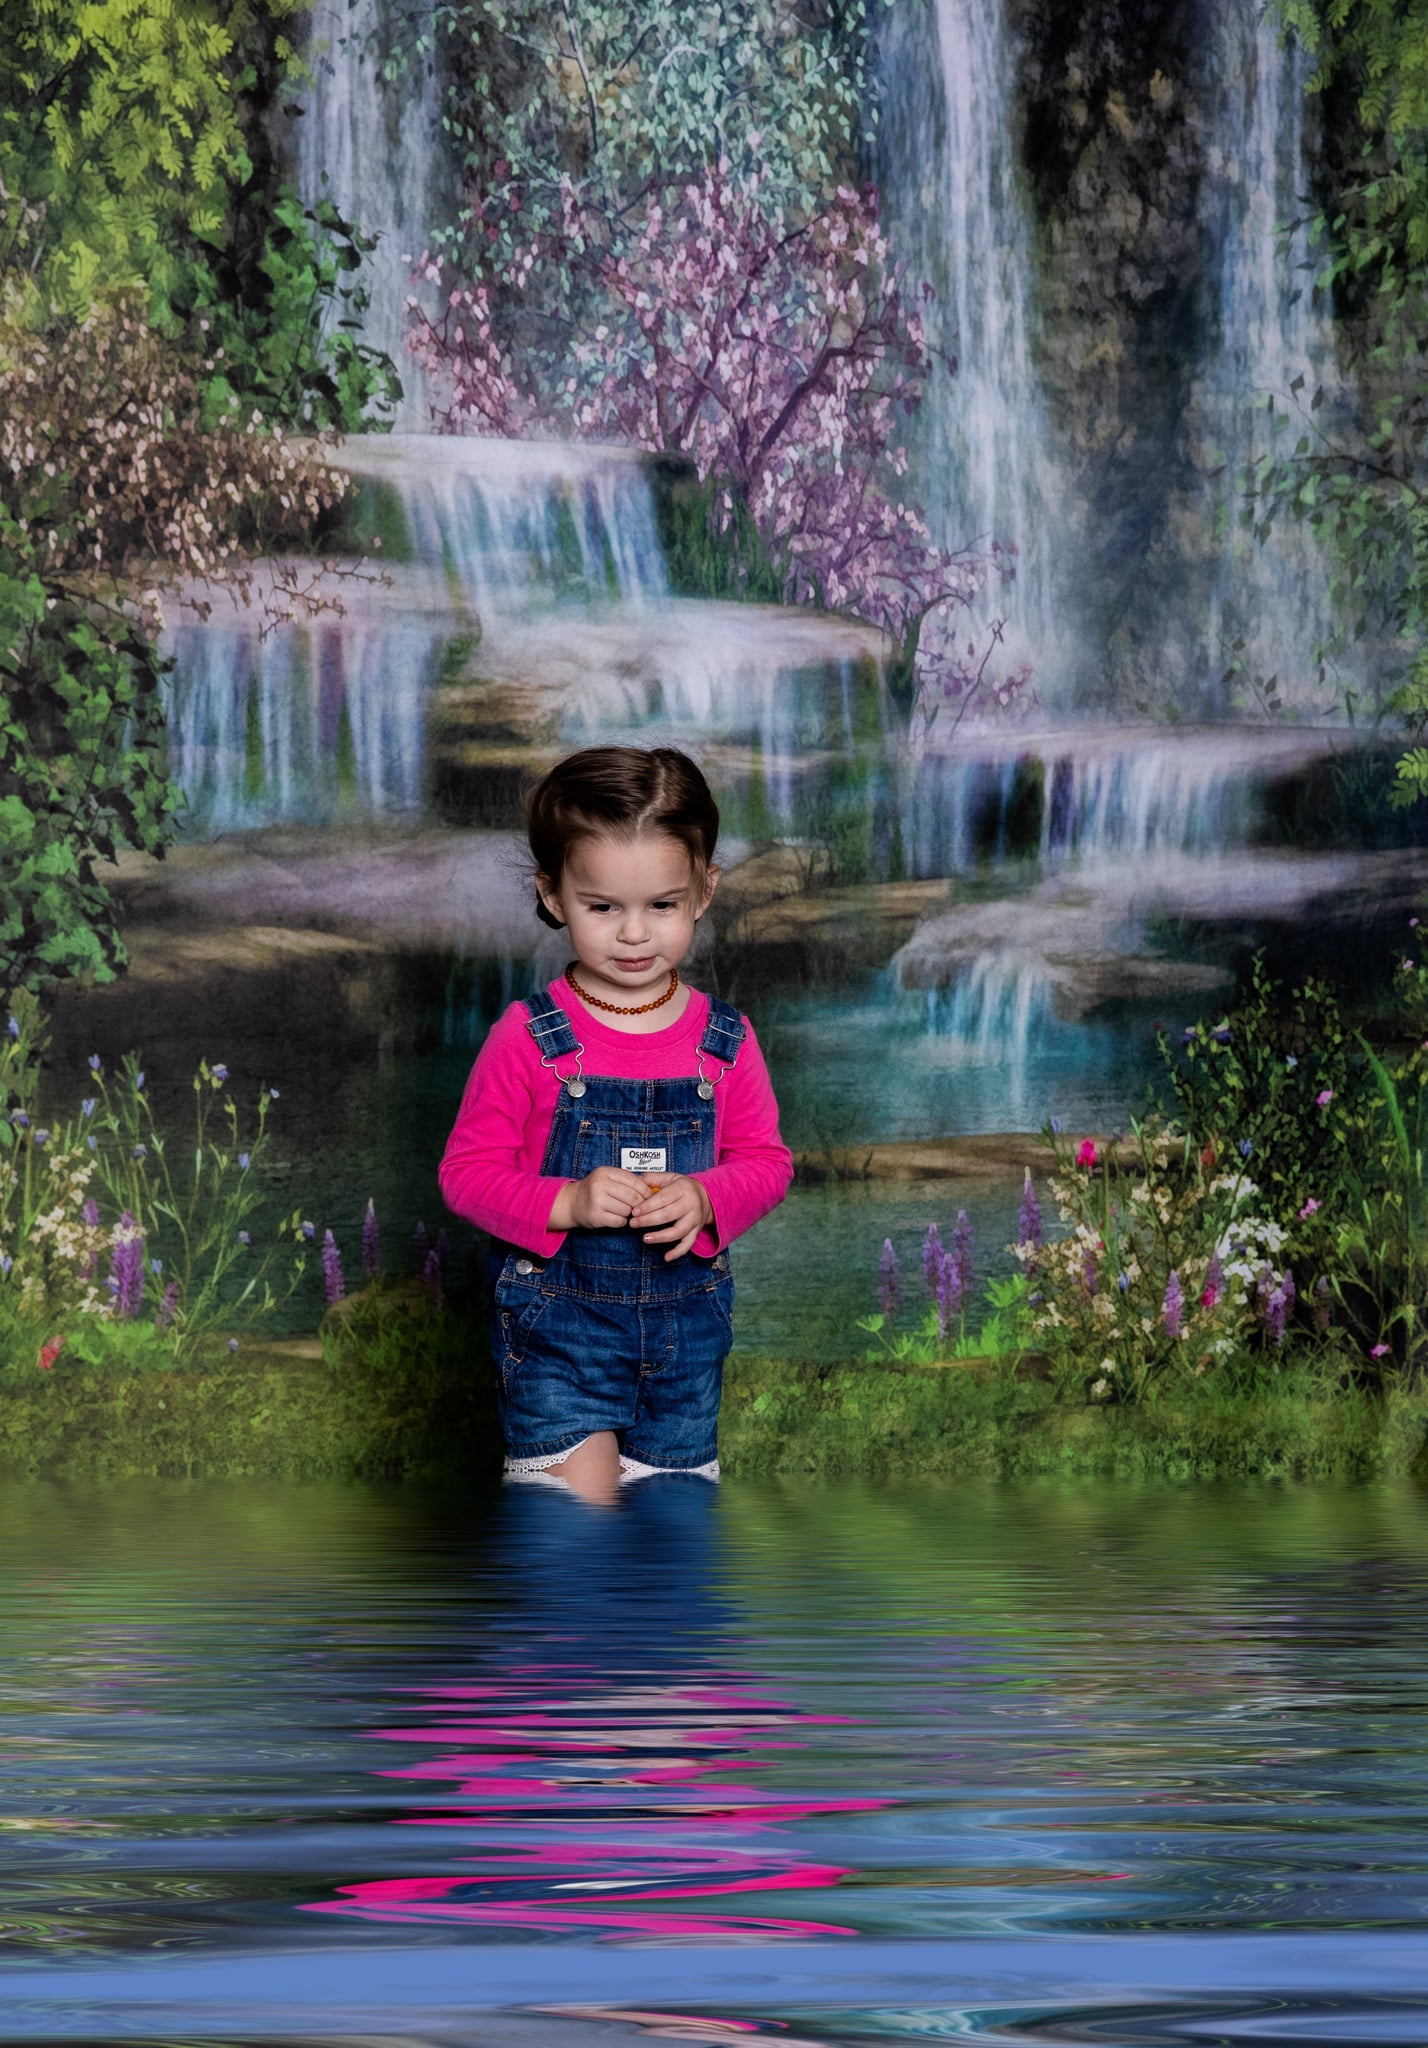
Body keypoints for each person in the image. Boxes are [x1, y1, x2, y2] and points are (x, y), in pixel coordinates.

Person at [439, 745, 793, 1501]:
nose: (634, 935)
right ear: (554, 894)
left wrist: (707, 1198)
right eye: (603, 907)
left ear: (704, 892)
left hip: (685, 1345)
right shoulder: (528, 1037)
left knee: (670, 1547)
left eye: (661, 905)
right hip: (559, 1340)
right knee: (574, 1540)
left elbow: (767, 1161)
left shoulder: (725, 1042)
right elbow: (465, 1175)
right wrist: (563, 1203)